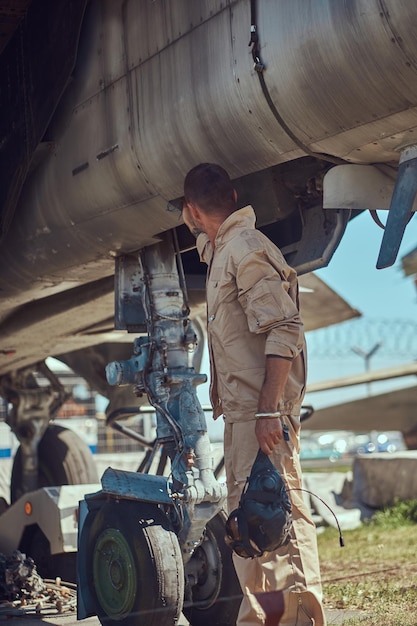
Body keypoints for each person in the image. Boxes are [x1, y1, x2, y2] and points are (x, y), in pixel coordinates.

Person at [181, 162, 326, 626]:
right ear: (235, 194)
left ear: (190, 210)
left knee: (276, 528)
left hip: (262, 416)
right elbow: (212, 240)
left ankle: (294, 621)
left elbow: (284, 327)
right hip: (246, 417)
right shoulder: (225, 247)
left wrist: (268, 411)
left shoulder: (244, 249)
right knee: (254, 537)